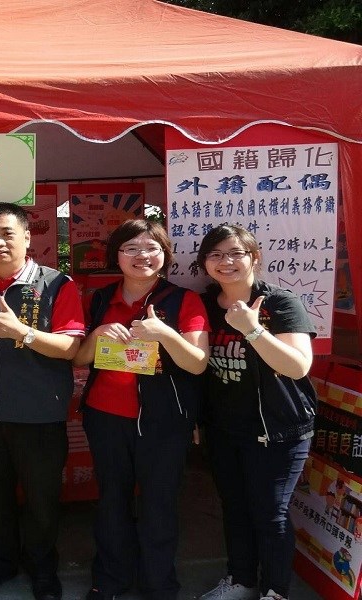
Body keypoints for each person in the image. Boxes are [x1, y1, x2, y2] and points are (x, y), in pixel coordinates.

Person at [0, 202, 85, 600]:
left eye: (7, 232)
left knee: (42, 499)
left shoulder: (58, 284)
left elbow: (71, 347)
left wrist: (22, 333)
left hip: (39, 415)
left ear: (27, 237)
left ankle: (43, 568)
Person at [72, 219, 209, 600]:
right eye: (131, 248)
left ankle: (159, 586)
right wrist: (97, 335)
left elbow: (198, 362)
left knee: (159, 505)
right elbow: (79, 358)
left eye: (151, 248)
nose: (142, 256)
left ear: (165, 255)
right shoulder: (99, 299)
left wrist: (165, 333)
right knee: (111, 501)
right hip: (106, 416)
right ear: (116, 255)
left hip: (164, 422)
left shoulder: (184, 300)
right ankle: (110, 580)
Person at [196, 225, 316, 600]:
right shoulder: (203, 305)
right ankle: (242, 580)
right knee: (235, 508)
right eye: (215, 255)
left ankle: (275, 591)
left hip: (278, 430)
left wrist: (252, 330)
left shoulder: (280, 304)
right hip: (224, 430)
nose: (226, 262)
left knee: (270, 514)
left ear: (254, 257)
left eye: (236, 253)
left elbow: (298, 367)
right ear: (204, 264)